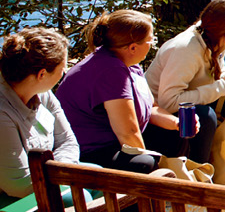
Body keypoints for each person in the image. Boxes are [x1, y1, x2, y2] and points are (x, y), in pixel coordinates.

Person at [0, 28, 89, 212]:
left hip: (39, 188)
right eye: (62, 68)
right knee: (70, 199)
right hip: (7, 205)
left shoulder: (44, 95)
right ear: (41, 73)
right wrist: (65, 180)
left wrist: (66, 174)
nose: (65, 73)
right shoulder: (2, 113)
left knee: (95, 178)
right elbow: (17, 184)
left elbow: (69, 142)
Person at [57, 10, 188, 173]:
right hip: (90, 152)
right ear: (133, 47)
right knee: (145, 163)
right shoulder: (111, 71)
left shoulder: (129, 64)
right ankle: (160, 192)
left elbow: (151, 108)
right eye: (151, 40)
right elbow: (128, 134)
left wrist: (176, 123)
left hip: (116, 141)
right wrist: (157, 172)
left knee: (176, 135)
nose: (153, 44)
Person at [145, 0, 225, 164]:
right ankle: (200, 171)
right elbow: (169, 101)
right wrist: (223, 86)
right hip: (160, 116)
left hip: (194, 97)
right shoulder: (186, 50)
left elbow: (215, 73)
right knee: (205, 116)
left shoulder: (215, 35)